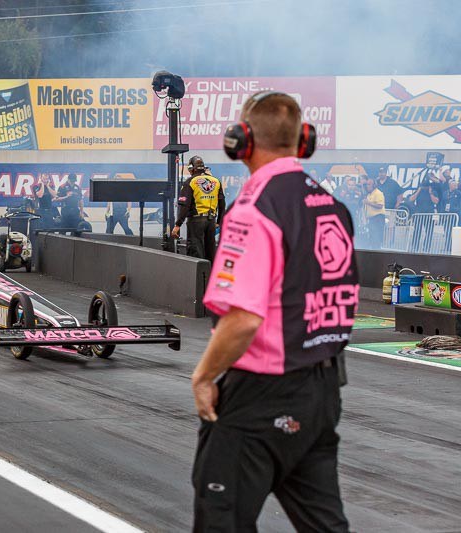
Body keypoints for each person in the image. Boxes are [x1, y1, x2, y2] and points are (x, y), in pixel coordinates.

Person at [191, 91, 356, 532]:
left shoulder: (254, 210)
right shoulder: (333, 207)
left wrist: (204, 377)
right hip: (323, 391)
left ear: (240, 141)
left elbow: (243, 318)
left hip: (263, 394)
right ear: (304, 140)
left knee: (220, 520)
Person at [171, 156, 225, 261]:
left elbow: (184, 206)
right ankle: (210, 271)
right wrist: (219, 222)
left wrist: (177, 225)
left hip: (195, 222)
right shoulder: (216, 181)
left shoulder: (190, 182)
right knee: (210, 253)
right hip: (211, 222)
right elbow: (222, 205)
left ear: (191, 168)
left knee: (195, 254)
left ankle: (199, 272)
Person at [363, 175, 386, 249]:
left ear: (374, 185)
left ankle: (377, 252)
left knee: (376, 239)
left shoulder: (378, 193)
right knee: (372, 238)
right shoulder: (369, 194)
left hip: (378, 218)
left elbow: (380, 205)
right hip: (372, 219)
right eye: (366, 184)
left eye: (369, 184)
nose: (367, 186)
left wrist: (368, 203)